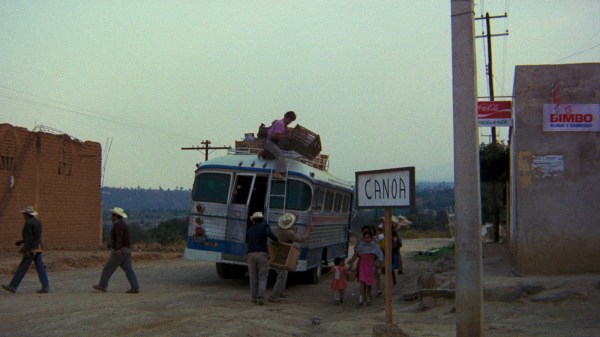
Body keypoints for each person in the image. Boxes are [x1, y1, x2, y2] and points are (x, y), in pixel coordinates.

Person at [2, 206, 49, 294]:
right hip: (38, 247)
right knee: (40, 267)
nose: (23, 215)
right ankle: (45, 285)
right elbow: (36, 236)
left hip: (31, 249)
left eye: (24, 214)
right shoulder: (38, 222)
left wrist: (25, 249)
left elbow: (29, 238)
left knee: (22, 267)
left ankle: (13, 286)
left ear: (27, 214)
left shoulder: (28, 223)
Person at [93, 207, 139, 293]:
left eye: (112, 215)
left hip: (120, 251)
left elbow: (119, 238)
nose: (111, 217)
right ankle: (135, 286)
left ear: (115, 216)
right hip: (126, 250)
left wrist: (117, 249)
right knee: (129, 270)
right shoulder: (123, 224)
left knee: (108, 268)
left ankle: (103, 285)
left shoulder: (118, 225)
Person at [268, 212, 313, 303]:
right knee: (282, 275)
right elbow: (301, 239)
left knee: (283, 273)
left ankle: (281, 292)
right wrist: (308, 233)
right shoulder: (289, 233)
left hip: (276, 252)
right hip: (283, 253)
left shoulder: (279, 228)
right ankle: (273, 296)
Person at [246, 211, 279, 305]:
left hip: (251, 254)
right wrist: (276, 240)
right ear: (262, 219)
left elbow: (246, 238)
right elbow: (269, 234)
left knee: (253, 277)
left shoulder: (251, 228)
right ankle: (260, 298)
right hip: (262, 254)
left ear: (254, 220)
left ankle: (253, 297)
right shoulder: (265, 226)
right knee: (262, 277)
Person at [347, 229, 383, 306]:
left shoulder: (374, 246)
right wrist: (351, 263)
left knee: (369, 283)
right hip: (363, 266)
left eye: (368, 237)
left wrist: (377, 264)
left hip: (371, 267)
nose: (367, 239)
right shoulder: (361, 245)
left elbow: (381, 256)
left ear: (371, 238)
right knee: (362, 282)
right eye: (365, 237)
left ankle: (369, 297)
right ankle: (361, 299)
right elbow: (357, 254)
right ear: (363, 238)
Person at [263, 110, 296, 180]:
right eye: (289, 120)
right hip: (270, 141)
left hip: (270, 141)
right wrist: (285, 136)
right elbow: (276, 136)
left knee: (274, 155)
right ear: (285, 117)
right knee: (280, 156)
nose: (289, 122)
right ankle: (277, 173)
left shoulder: (283, 124)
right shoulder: (281, 124)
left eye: (291, 121)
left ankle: (263, 153)